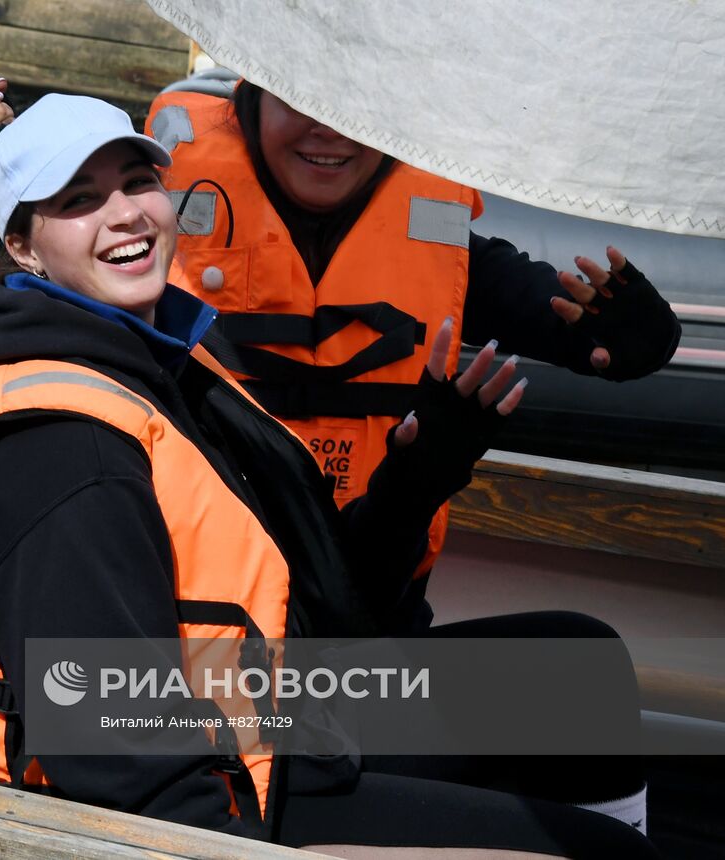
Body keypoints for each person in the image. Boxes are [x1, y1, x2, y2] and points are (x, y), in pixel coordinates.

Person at [0, 94, 656, 855]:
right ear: (23, 248)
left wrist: (425, 467)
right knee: (611, 857)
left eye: (138, 184)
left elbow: (330, 605)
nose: (126, 213)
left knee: (577, 668)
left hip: (269, 703)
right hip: (215, 791)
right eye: (79, 201)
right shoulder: (65, 455)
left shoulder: (160, 366)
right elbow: (119, 757)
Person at [144, 81, 682, 628]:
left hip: (363, 629)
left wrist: (642, 335)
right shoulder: (144, 244)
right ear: (253, 102)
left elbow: (588, 334)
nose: (328, 128)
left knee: (580, 651)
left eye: (352, 102)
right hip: (207, 640)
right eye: (300, 97)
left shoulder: (441, 253)